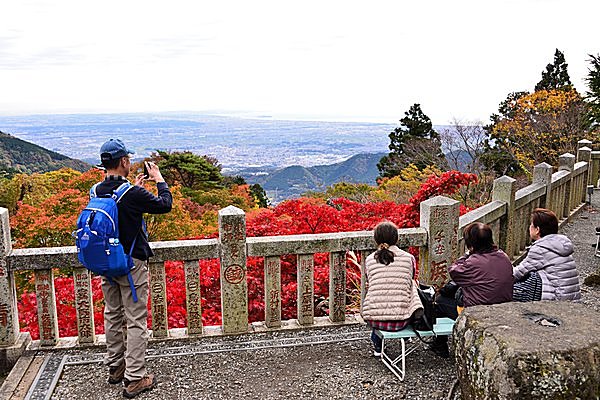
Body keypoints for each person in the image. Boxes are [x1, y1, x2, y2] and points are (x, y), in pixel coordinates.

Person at [95, 138, 172, 398]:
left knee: (112, 314)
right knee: (136, 320)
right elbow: (165, 205)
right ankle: (135, 378)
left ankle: (116, 368)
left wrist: (134, 188)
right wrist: (159, 178)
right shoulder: (133, 194)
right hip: (131, 264)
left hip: (106, 263)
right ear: (124, 161)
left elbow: (117, 212)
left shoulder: (95, 190)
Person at [432, 222, 513, 357]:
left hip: (477, 313)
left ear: (471, 244)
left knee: (440, 301)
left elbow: (454, 270)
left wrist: (468, 253)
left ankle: (440, 346)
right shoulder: (504, 257)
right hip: (502, 310)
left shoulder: (472, 262)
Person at [361, 221, 423, 357]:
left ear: (376, 239)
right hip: (403, 320)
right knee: (410, 287)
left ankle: (378, 347)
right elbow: (410, 278)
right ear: (396, 238)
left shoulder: (370, 259)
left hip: (374, 319)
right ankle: (407, 337)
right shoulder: (408, 258)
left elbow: (370, 281)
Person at [513, 208, 581, 301]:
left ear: (537, 230)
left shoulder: (541, 249)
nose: (529, 227)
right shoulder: (559, 244)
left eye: (531, 225)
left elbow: (518, 273)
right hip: (572, 298)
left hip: (557, 300)